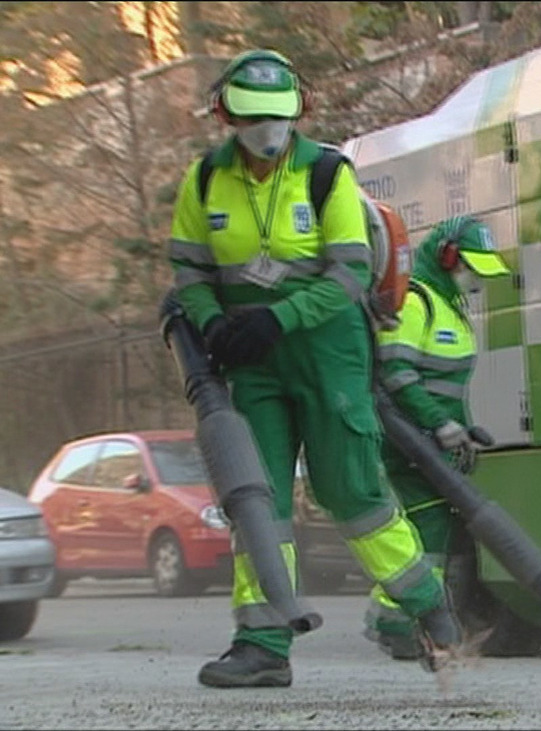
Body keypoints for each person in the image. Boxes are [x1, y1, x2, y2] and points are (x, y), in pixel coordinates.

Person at [167, 48, 459, 688]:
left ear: (297, 113)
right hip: (249, 354)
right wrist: (213, 321)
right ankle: (263, 643)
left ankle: (429, 607)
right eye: (254, 118)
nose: (268, 131)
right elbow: (187, 271)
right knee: (256, 498)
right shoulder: (205, 181)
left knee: (348, 490)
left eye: (279, 117)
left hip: (326, 346)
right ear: (226, 115)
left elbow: (350, 273)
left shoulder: (327, 174)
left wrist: (279, 318)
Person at [363, 215, 509, 660]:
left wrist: (462, 428)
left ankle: (404, 618)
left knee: (434, 529)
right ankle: (393, 620)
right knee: (426, 528)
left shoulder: (452, 309)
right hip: (408, 443)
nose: (475, 280)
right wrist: (438, 425)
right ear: (447, 256)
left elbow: (448, 387)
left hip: (432, 443)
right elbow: (397, 373)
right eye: (470, 268)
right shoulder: (417, 302)